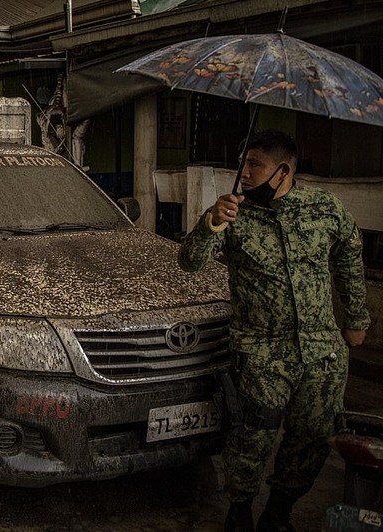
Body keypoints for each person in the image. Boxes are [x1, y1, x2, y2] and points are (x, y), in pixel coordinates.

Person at [177, 130, 369, 531]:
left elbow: (349, 259)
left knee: (311, 438)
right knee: (251, 438)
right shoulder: (234, 214)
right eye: (244, 164)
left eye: (254, 165)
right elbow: (189, 262)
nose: (244, 173)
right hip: (261, 354)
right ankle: (240, 509)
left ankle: (280, 510)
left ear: (282, 172)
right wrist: (212, 221)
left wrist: (356, 319)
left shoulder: (324, 208)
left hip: (322, 355)